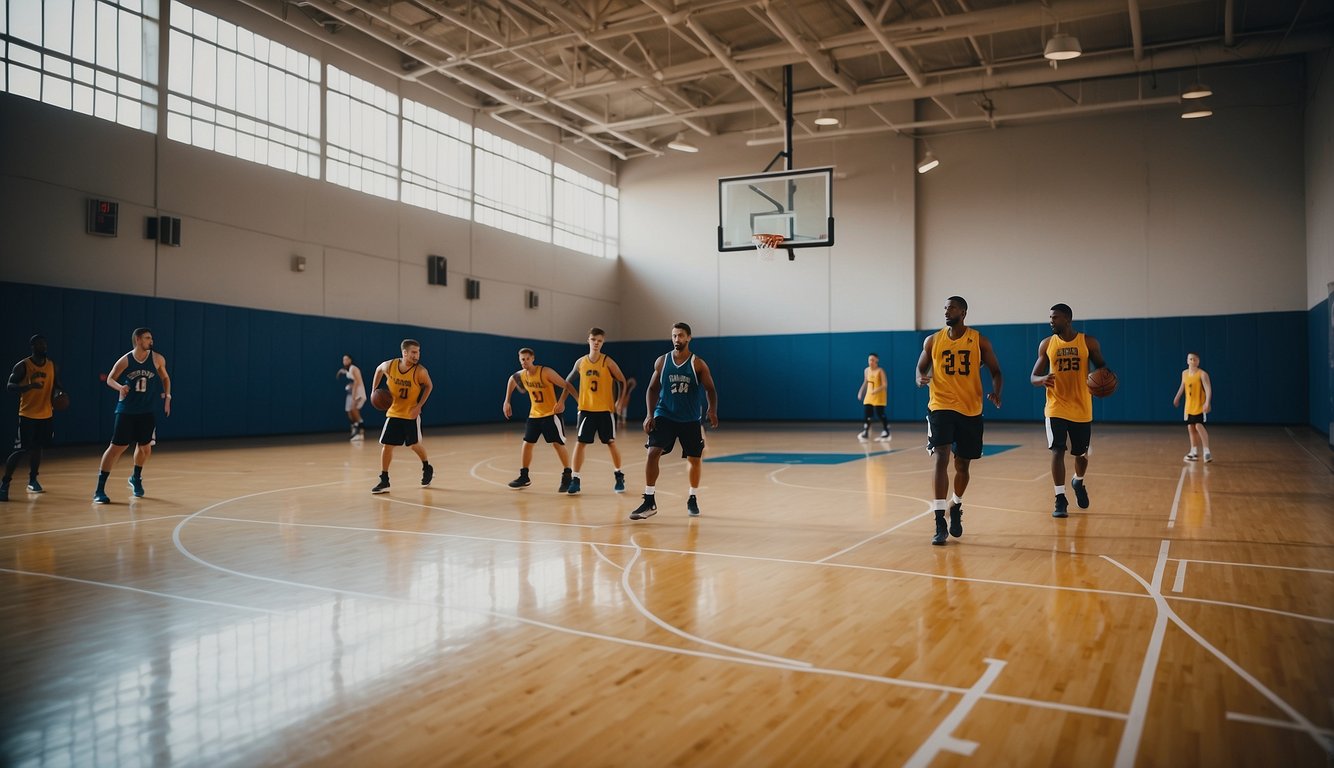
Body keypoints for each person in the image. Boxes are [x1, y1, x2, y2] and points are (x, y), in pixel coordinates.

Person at [915, 297, 1003, 545]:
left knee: (963, 465)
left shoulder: (979, 340)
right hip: (940, 405)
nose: (946, 311)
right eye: (944, 307)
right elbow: (920, 368)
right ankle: (939, 519)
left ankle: (956, 505)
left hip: (970, 408)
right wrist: (919, 378)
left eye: (951, 307)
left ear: (963, 312)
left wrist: (997, 391)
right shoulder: (932, 340)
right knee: (941, 456)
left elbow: (996, 370)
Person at [629, 322, 719, 520]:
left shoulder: (698, 364)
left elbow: (710, 389)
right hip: (665, 415)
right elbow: (652, 389)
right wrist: (649, 414)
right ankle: (649, 500)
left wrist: (712, 410)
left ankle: (692, 497)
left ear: (688, 338)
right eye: (674, 336)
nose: (677, 339)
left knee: (694, 459)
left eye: (680, 336)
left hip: (690, 419)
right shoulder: (662, 361)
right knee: (652, 452)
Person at [1029, 303, 1110, 518]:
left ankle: (1078, 481)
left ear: (1067, 319)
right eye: (1050, 317)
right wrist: (1042, 379)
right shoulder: (1046, 344)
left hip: (1082, 407)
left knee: (1080, 454)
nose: (1051, 321)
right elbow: (1033, 377)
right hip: (1055, 406)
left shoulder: (1088, 342)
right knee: (1057, 450)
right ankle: (1060, 498)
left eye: (1055, 317)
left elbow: (1103, 367)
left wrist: (1102, 379)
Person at [93, 328, 172, 504]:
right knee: (116, 448)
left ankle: (136, 478)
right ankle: (99, 489)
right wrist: (120, 387)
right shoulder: (126, 360)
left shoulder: (157, 359)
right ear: (138, 340)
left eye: (151, 337)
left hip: (147, 411)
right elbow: (110, 379)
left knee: (145, 448)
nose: (151, 340)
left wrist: (168, 397)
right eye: (147, 338)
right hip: (127, 410)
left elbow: (165, 378)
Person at [564, 328, 628, 495]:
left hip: (605, 411)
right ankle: (575, 479)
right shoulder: (581, 362)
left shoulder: (608, 362)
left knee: (610, 442)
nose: (596, 343)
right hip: (586, 410)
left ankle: (619, 474)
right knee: (580, 443)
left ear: (603, 342)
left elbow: (622, 380)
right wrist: (566, 400)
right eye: (593, 339)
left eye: (599, 340)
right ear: (589, 340)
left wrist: (620, 401)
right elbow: (567, 382)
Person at [502, 348, 577, 491]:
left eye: (527, 359)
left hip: (551, 414)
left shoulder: (545, 372)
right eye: (522, 359)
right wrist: (507, 401)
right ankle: (524, 476)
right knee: (527, 443)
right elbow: (511, 380)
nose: (525, 362)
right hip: (534, 415)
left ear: (533, 359)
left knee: (557, 444)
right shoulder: (521, 375)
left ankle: (568, 475)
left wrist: (562, 402)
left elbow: (566, 385)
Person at [368, 339, 434, 494]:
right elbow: (378, 370)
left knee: (413, 445)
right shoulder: (390, 365)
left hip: (410, 413)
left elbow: (429, 386)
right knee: (387, 445)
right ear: (404, 353)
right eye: (413, 352)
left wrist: (419, 406)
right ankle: (384, 479)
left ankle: (426, 467)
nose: (417, 355)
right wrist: (373, 390)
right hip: (394, 412)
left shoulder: (420, 371)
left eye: (418, 352)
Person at [2, 335, 63, 502]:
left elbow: (57, 386)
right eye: (40, 344)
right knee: (20, 450)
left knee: (37, 448)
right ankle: (5, 483)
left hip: (45, 414)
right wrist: (28, 386)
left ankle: (33, 480)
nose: (43, 346)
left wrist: (59, 395)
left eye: (45, 344)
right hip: (27, 414)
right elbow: (10, 385)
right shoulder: (23, 365)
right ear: (32, 346)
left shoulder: (52, 366)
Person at [1172, 352, 1213, 462]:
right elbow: (1183, 386)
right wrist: (1177, 397)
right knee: (1190, 427)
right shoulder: (1184, 373)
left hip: (1199, 405)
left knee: (1199, 426)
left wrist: (1207, 402)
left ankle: (1207, 451)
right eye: (1190, 359)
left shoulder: (1202, 374)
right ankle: (1194, 451)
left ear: (1198, 361)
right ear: (1187, 360)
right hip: (1189, 406)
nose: (1192, 361)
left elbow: (1208, 389)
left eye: (1194, 359)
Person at [856, 353, 891, 441]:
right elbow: (865, 381)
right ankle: (865, 432)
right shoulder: (866, 370)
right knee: (867, 413)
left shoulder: (880, 371)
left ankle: (886, 431)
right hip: (869, 395)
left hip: (879, 395)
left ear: (876, 360)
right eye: (869, 360)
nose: (870, 362)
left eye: (872, 360)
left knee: (880, 414)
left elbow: (884, 384)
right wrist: (860, 392)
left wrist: (876, 390)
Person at [338, 354, 367, 440]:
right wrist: (341, 371)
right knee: (350, 411)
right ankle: (358, 429)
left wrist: (354, 395)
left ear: (350, 360)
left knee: (353, 409)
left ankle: (360, 429)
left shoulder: (353, 368)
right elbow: (347, 373)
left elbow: (357, 382)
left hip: (359, 392)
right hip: (355, 392)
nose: (345, 361)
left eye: (346, 359)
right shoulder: (349, 369)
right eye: (343, 360)